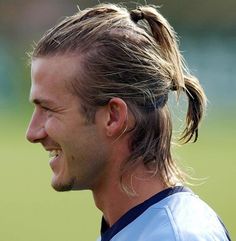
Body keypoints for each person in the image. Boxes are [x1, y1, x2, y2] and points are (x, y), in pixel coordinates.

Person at [26, 3, 231, 241]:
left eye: (49, 109)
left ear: (113, 117)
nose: (32, 133)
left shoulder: (174, 236)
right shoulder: (144, 227)